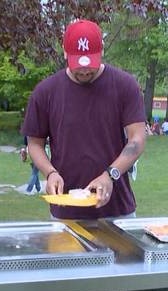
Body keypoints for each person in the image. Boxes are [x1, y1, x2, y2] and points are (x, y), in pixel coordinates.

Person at [20, 19, 146, 220]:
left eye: (90, 64)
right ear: (64, 52)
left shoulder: (125, 86)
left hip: (117, 212)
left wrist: (110, 175)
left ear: (102, 50)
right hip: (66, 213)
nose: (85, 70)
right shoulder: (45, 92)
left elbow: (137, 139)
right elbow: (34, 143)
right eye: (78, 64)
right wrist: (50, 173)